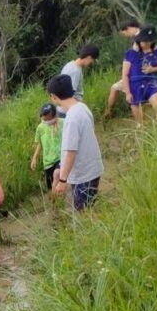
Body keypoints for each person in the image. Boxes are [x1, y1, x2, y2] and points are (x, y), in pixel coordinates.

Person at [47, 74, 103, 211]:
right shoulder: (82, 107)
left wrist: (62, 180)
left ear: (54, 97)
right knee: (89, 207)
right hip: (92, 168)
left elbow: (71, 151)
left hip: (84, 174)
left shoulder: (71, 118)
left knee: (83, 213)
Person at [123, 26, 157, 124]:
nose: (147, 43)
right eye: (144, 41)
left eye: (149, 41)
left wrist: (153, 69)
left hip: (152, 82)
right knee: (139, 123)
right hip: (135, 85)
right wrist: (127, 92)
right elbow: (125, 74)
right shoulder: (131, 53)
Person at [105, 20, 143, 118]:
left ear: (129, 28)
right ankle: (108, 112)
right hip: (137, 72)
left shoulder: (140, 38)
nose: (126, 35)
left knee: (132, 98)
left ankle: (140, 125)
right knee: (114, 88)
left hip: (137, 75)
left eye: (125, 33)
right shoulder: (141, 36)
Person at [31, 103, 63, 191]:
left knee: (58, 181)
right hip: (48, 162)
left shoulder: (63, 123)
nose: (45, 121)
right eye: (43, 119)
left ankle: (61, 200)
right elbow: (40, 144)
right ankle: (53, 203)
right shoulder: (40, 128)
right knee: (51, 187)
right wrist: (35, 158)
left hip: (60, 158)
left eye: (47, 119)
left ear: (54, 116)